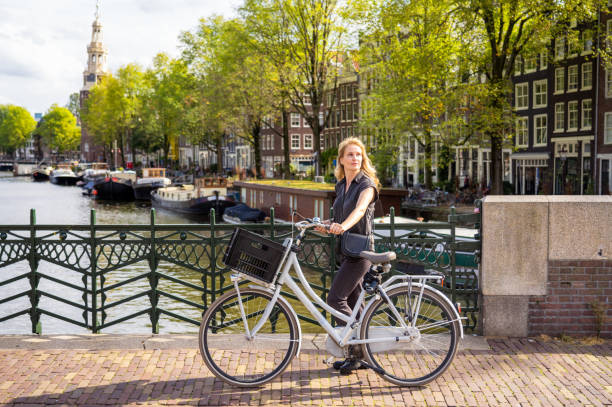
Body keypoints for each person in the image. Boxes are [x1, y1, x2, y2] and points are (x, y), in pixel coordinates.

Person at [315, 137, 380, 375]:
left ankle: (358, 343)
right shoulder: (341, 185)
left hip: (361, 252)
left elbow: (359, 211)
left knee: (335, 300)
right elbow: (340, 217)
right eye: (350, 155)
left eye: (359, 155)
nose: (355, 158)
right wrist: (325, 225)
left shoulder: (367, 184)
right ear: (341, 159)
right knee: (354, 306)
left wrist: (343, 226)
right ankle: (357, 356)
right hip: (346, 250)